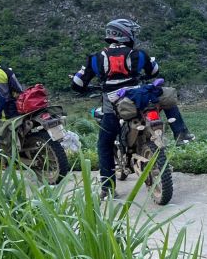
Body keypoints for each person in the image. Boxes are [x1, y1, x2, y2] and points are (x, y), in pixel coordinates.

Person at [71, 19, 194, 198]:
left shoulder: (95, 58)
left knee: (104, 144)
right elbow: (154, 72)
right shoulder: (140, 54)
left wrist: (87, 86)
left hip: (113, 107)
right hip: (140, 101)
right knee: (165, 97)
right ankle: (181, 133)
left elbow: (77, 83)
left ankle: (108, 188)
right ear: (124, 34)